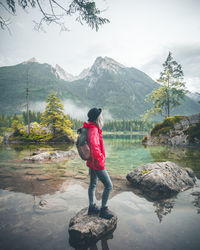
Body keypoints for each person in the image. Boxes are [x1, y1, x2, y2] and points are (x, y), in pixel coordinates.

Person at [83, 108, 114, 219]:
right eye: (101, 116)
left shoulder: (89, 127)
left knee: (92, 185)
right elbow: (95, 147)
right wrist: (101, 160)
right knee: (109, 186)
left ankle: (91, 207)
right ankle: (103, 210)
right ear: (97, 118)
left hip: (91, 162)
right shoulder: (94, 130)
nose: (102, 118)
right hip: (96, 163)